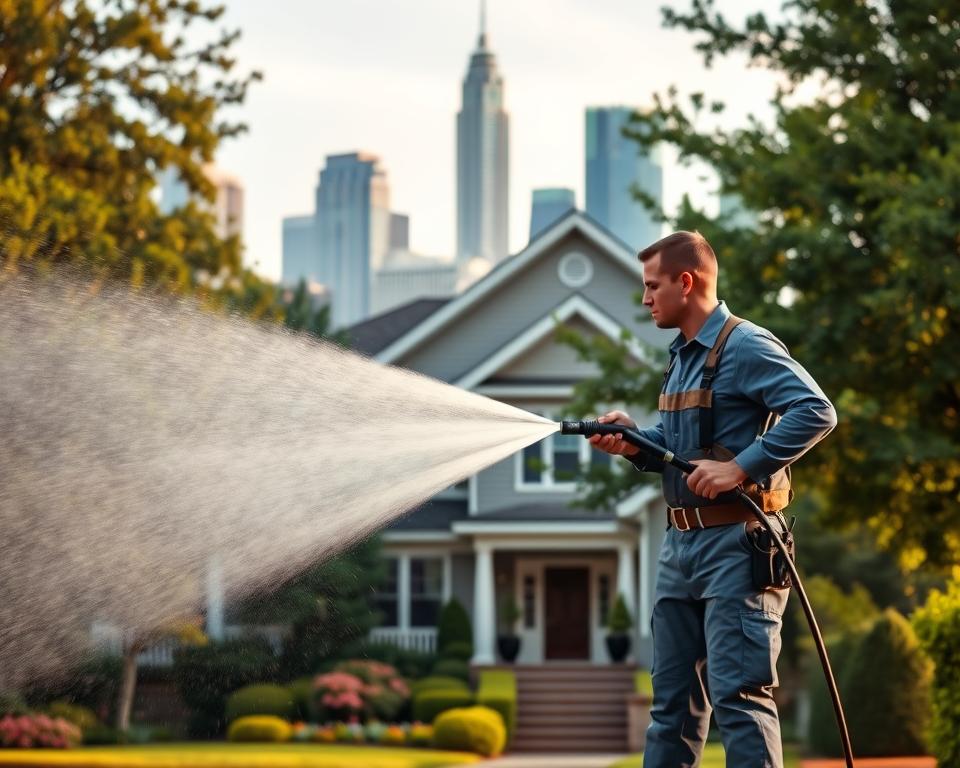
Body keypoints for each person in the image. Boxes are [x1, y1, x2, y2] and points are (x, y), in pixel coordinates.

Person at [590, 231, 836, 768]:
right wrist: (635, 441)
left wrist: (740, 467)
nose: (645, 299)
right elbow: (682, 448)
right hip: (679, 547)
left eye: (652, 286)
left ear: (686, 282)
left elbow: (816, 410)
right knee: (671, 708)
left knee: (739, 699)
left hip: (737, 547)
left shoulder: (746, 345)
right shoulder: (680, 356)